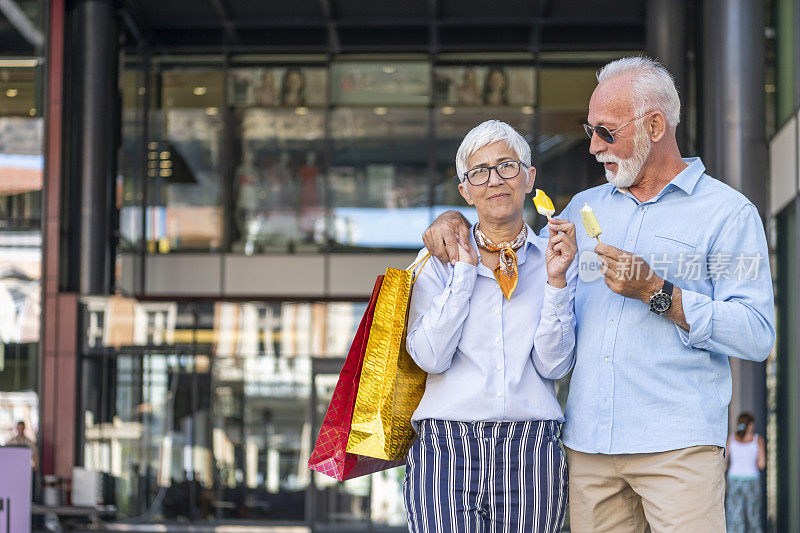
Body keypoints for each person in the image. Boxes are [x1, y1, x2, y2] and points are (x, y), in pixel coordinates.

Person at [422, 56, 775, 532]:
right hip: (588, 449)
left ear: (654, 125)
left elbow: (756, 335)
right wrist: (452, 223)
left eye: (605, 132)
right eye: (590, 130)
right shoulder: (582, 208)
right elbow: (509, 247)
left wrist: (658, 291)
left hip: (677, 449)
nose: (592, 146)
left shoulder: (728, 213)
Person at [404, 120, 578, 532]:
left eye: (507, 166)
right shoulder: (436, 262)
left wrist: (555, 282)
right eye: (479, 172)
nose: (494, 180)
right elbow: (430, 357)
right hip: (446, 444)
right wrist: (464, 275)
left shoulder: (554, 259)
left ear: (529, 177)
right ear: (465, 190)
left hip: (532, 446)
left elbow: (555, 366)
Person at [726, 413, 766, 533]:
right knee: (753, 517)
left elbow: (724, 463)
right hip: (751, 480)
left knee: (734, 517)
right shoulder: (758, 440)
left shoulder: (731, 439)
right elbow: (761, 464)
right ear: (751, 425)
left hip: (733, 480)